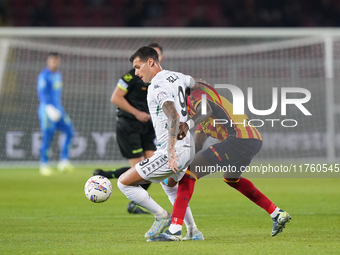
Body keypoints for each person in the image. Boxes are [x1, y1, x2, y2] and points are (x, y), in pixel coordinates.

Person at [148, 84, 291, 241]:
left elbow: (204, 108)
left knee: (189, 175)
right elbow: (197, 145)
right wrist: (177, 161)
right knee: (231, 178)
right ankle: (277, 213)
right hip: (252, 140)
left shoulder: (196, 95)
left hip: (238, 137)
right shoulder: (195, 113)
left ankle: (174, 230)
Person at [117, 46, 203, 240]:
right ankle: (193, 232)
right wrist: (189, 120)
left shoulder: (157, 86)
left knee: (124, 183)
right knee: (169, 185)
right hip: (188, 146)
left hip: (173, 150)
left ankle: (161, 216)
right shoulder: (177, 76)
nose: (136, 72)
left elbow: (172, 115)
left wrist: (170, 151)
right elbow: (198, 84)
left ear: (151, 62)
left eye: (138, 67)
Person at [93, 43, 164, 214]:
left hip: (147, 128)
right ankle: (133, 203)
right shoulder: (131, 77)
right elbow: (115, 98)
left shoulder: (160, 79)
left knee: (153, 168)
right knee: (141, 169)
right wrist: (137, 113)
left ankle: (108, 174)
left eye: (159, 56)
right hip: (129, 126)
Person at [37, 52, 74, 176]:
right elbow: (42, 94)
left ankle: (63, 161)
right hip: (47, 111)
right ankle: (44, 165)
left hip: (59, 110)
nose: (55, 63)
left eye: (56, 60)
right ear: (48, 61)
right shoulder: (44, 75)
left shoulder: (58, 74)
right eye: (52, 60)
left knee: (69, 131)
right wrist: (49, 108)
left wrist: (57, 108)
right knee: (48, 137)